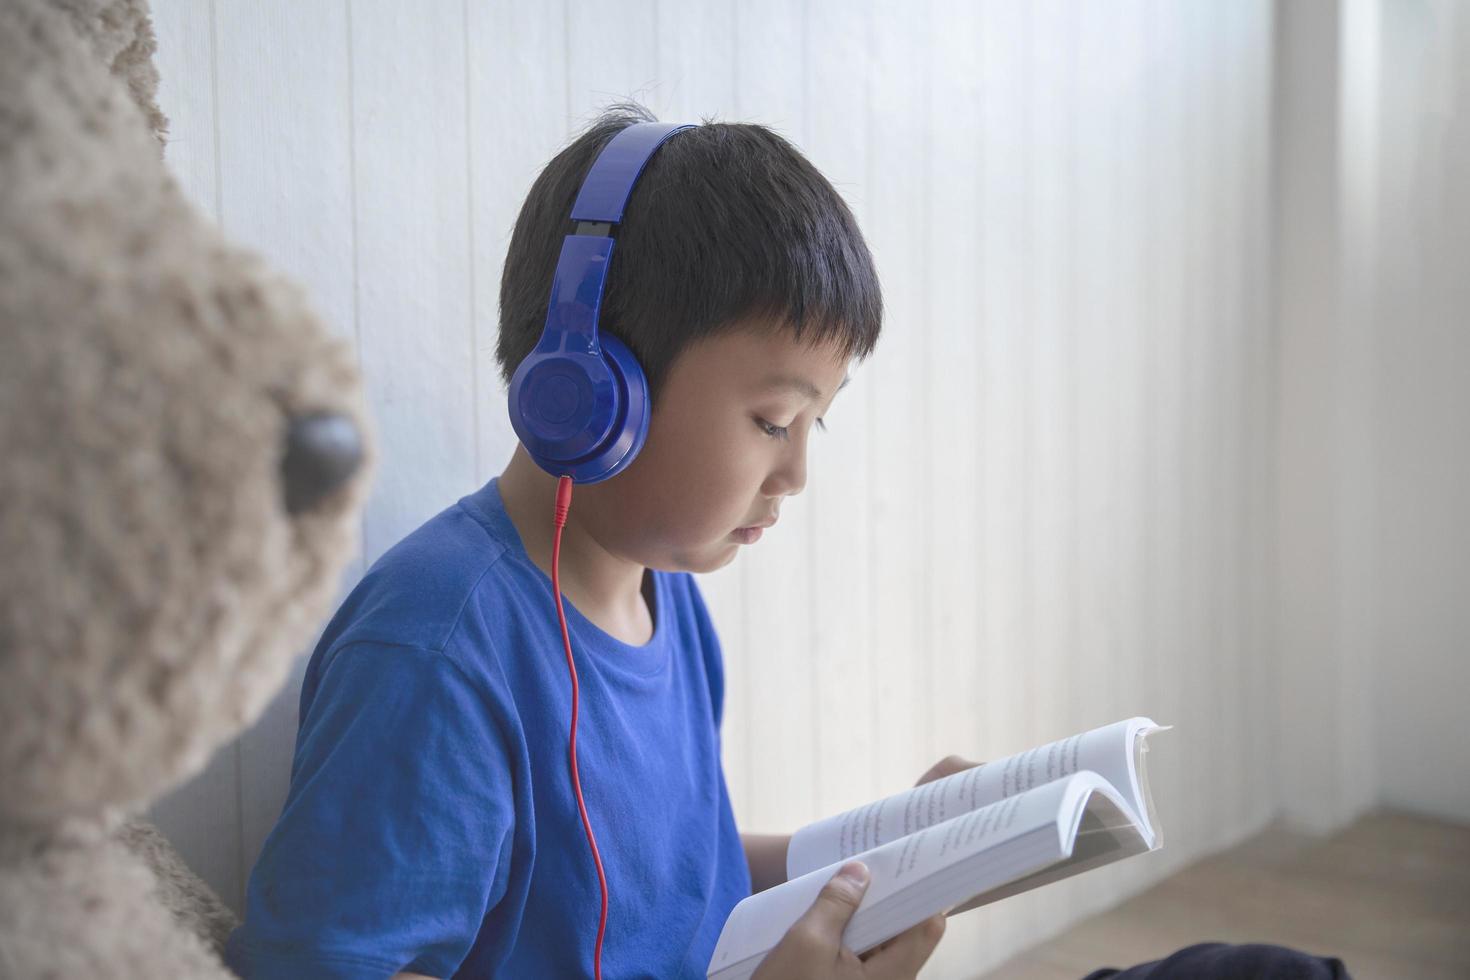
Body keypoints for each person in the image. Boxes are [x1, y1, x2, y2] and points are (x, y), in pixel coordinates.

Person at [223, 104, 1348, 980]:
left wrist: (914, 852)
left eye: (817, 422)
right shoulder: (440, 648)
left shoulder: (666, 602)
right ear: (589, 387)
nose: (798, 472)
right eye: (772, 420)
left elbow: (688, 884)